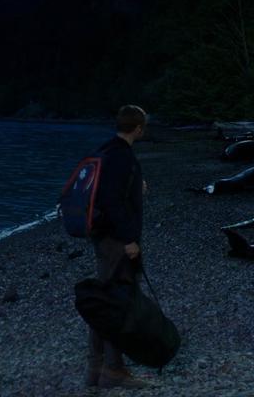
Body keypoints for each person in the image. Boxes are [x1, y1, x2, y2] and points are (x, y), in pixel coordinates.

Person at [85, 104, 151, 389]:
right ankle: (113, 371)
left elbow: (110, 193)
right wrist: (130, 240)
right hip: (116, 241)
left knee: (103, 300)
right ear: (138, 128)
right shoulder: (123, 157)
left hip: (101, 237)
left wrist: (138, 188)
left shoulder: (105, 151)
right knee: (116, 303)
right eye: (143, 126)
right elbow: (113, 203)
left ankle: (96, 369)